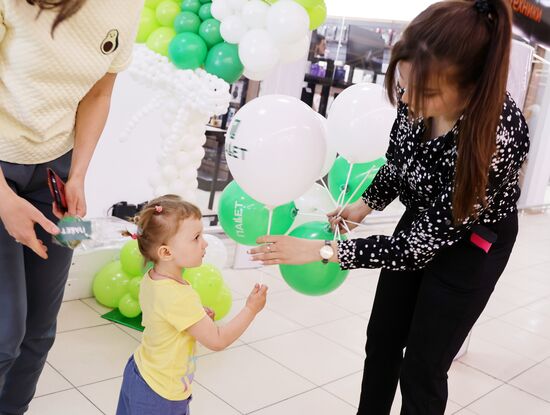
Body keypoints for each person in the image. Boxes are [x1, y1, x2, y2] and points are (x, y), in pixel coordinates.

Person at [250, 1, 530, 414]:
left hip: (473, 243)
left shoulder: (497, 139)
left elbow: (417, 248)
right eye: (403, 86)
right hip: (424, 218)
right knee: (382, 339)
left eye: (427, 94)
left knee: (423, 364)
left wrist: (322, 252)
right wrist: (367, 203)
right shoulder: (415, 93)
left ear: (470, 86)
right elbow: (401, 162)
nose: (410, 101)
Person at [0, 1, 143, 413]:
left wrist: (77, 174)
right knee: (3, 334)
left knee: (39, 332)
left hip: (55, 171)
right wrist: (4, 199)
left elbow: (99, 90)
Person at [117, 195, 268, 415]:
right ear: (166, 252)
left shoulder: (153, 278)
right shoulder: (179, 296)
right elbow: (217, 341)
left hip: (140, 372)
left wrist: (196, 317)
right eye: (196, 237)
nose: (204, 243)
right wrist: (250, 309)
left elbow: (166, 316)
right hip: (161, 393)